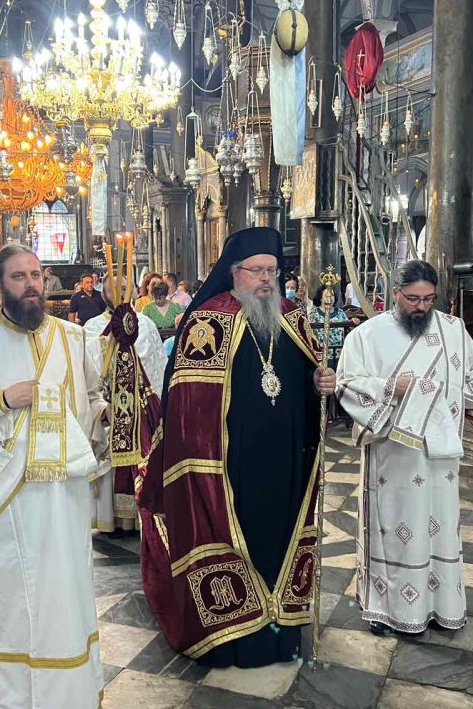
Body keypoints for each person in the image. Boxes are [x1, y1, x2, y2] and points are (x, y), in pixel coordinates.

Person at [137, 227, 336, 668]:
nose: (266, 278)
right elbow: (187, 407)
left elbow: (307, 382)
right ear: (234, 272)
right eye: (257, 270)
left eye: (272, 270)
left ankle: (281, 628)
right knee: (238, 538)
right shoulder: (207, 322)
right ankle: (234, 636)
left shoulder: (293, 318)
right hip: (229, 468)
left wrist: (320, 382)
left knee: (279, 539)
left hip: (285, 460)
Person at [0, 244, 106, 709]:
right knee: (14, 598)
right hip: (9, 506)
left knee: (66, 595)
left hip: (65, 501)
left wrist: (112, 415)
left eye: (36, 275)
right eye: (18, 277)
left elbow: (91, 401)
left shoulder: (73, 338)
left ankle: (70, 694)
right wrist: (3, 400)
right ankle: (10, 696)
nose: (31, 285)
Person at [335, 260, 473, 637]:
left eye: (429, 299)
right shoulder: (366, 336)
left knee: (438, 526)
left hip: (439, 456)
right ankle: (384, 609)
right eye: (413, 299)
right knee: (394, 530)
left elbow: (468, 375)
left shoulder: (452, 329)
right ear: (395, 294)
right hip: (392, 455)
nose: (422, 307)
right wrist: (390, 388)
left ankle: (439, 605)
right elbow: (346, 385)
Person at [84, 272, 168, 534]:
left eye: (124, 287)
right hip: (109, 407)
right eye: (113, 288)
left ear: (132, 290)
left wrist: (156, 404)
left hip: (142, 407)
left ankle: (140, 517)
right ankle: (111, 518)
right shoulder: (93, 328)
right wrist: (101, 404)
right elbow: (88, 371)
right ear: (103, 293)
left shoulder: (146, 325)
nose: (119, 292)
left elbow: (157, 366)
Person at [309, 285, 358, 370]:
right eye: (326, 295)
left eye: (332, 295)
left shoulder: (340, 312)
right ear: (320, 298)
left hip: (340, 355)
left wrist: (353, 322)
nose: (330, 298)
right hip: (321, 357)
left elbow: (350, 328)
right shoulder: (313, 314)